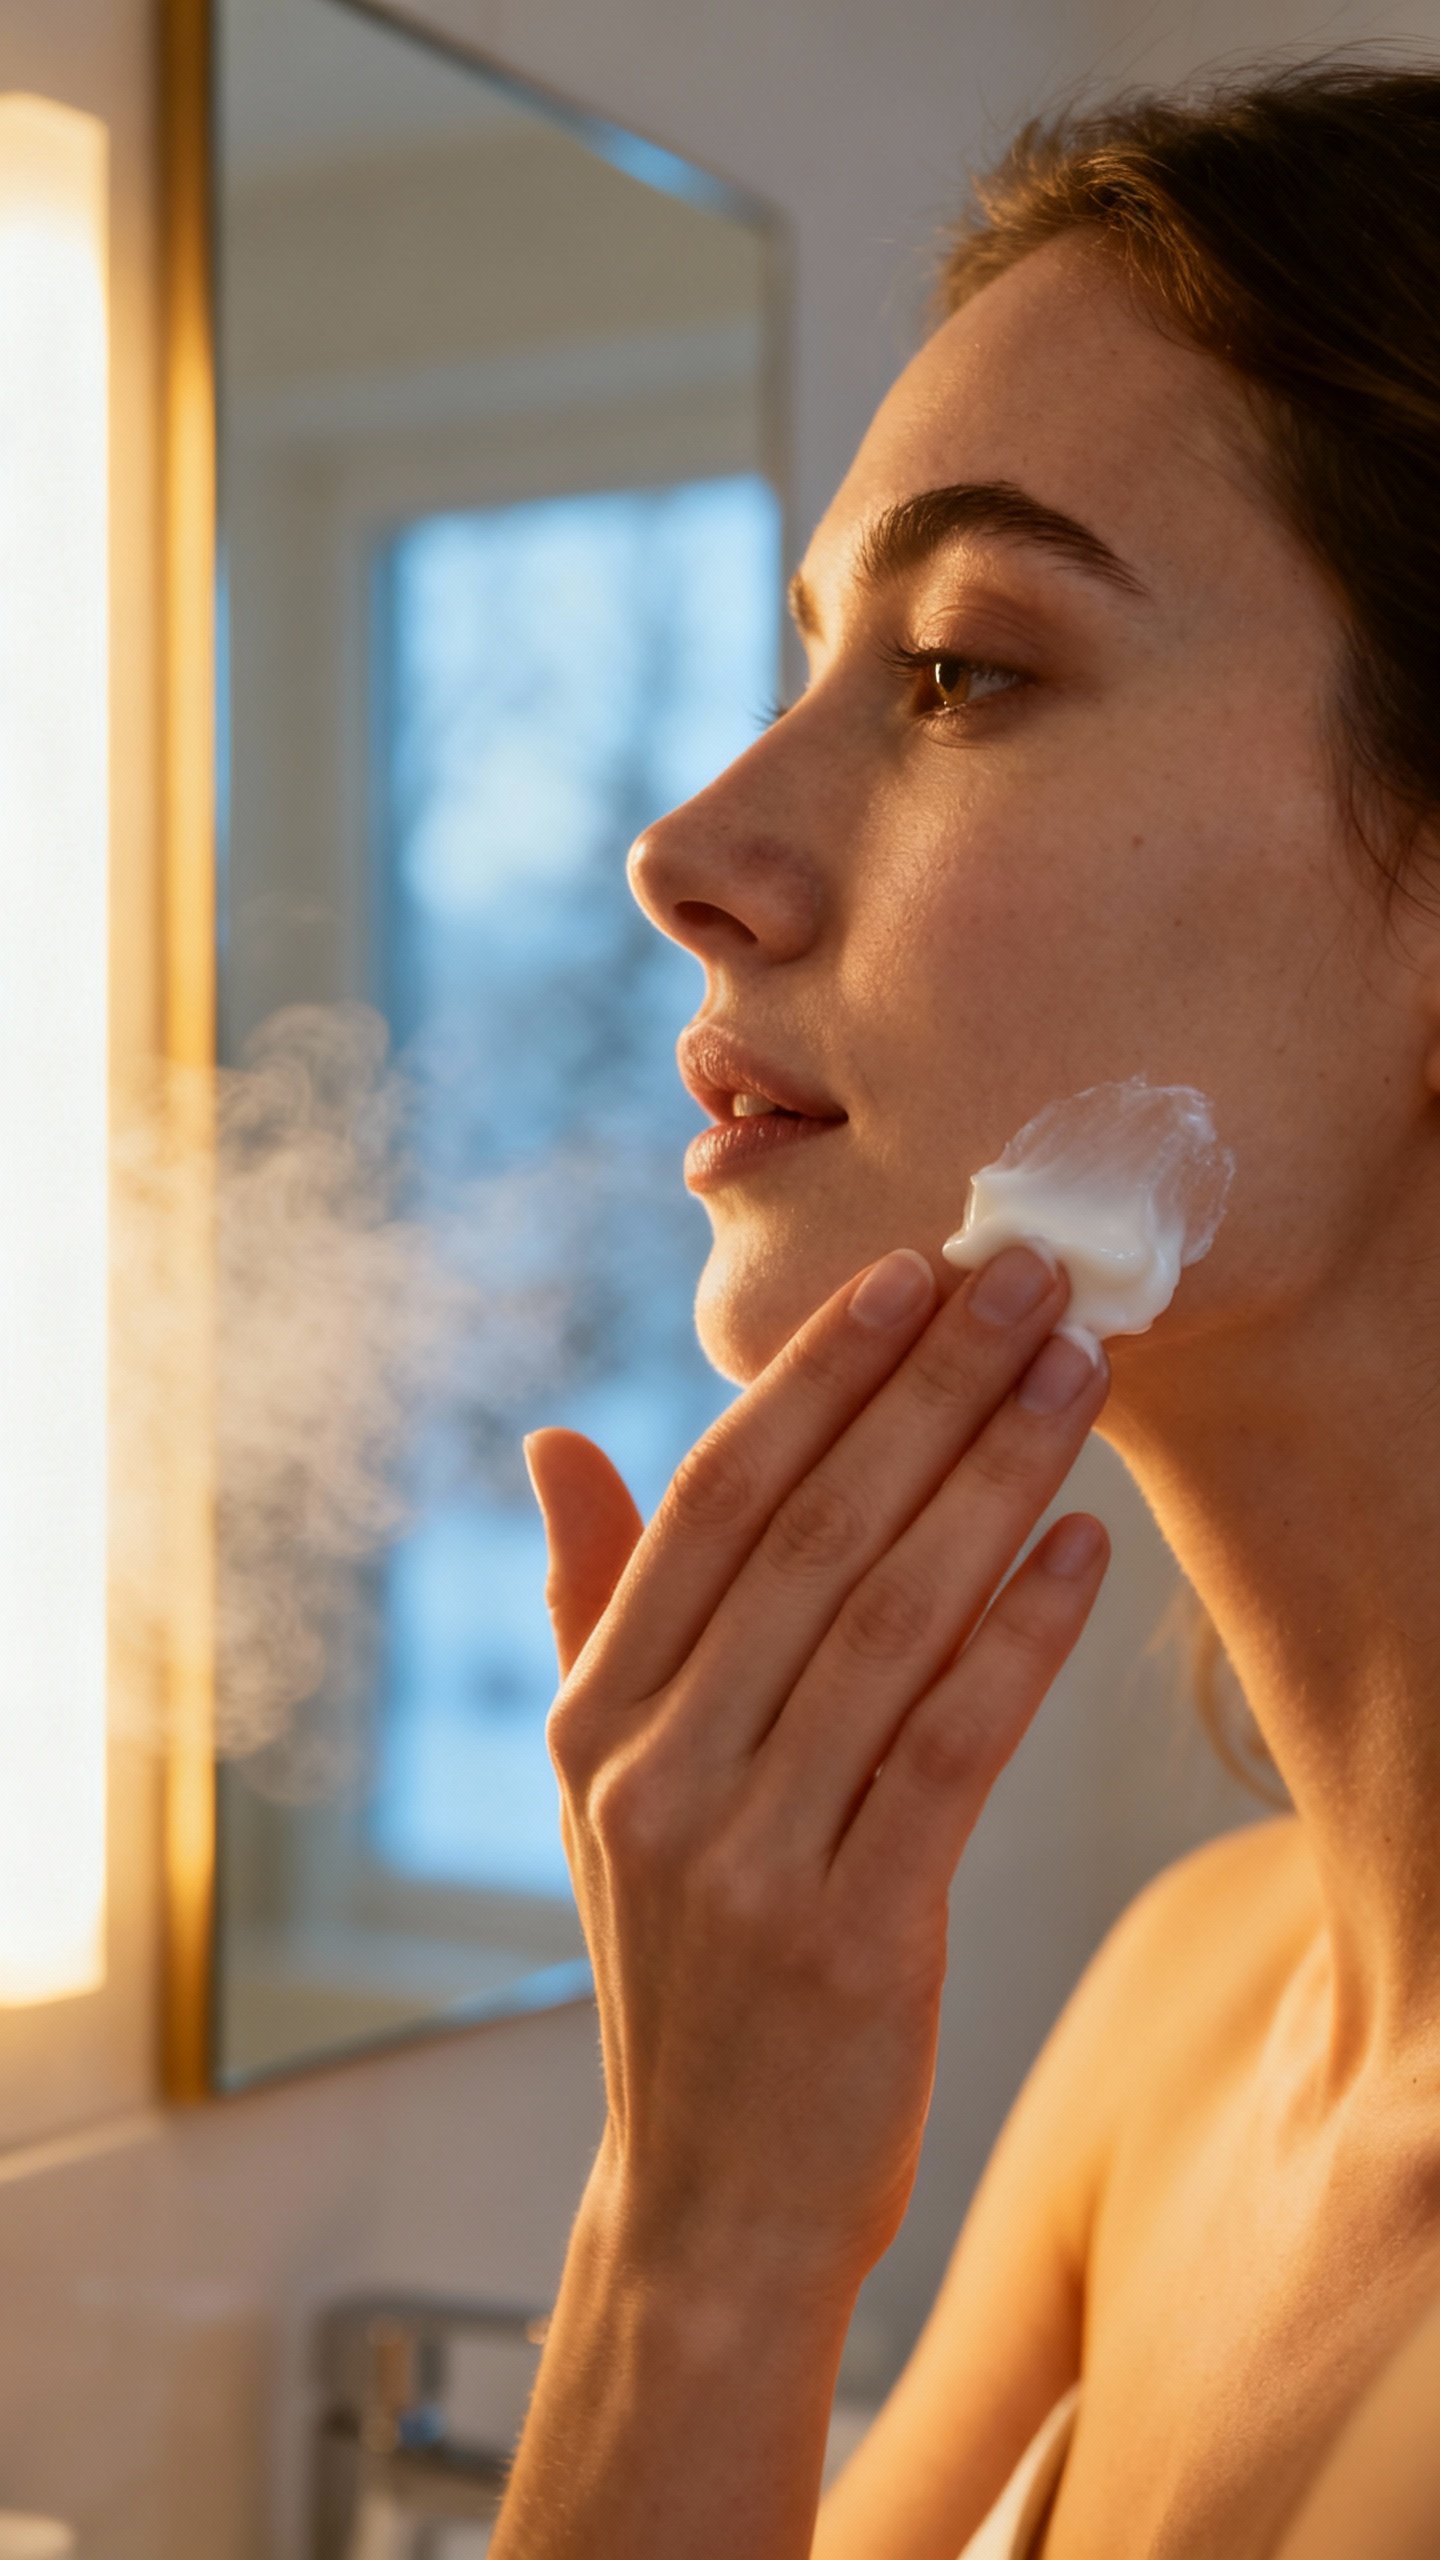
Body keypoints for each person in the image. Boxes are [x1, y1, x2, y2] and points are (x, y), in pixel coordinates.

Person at [496, 50, 1440, 2560]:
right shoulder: (1191, 2018)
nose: (691, 849)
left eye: (960, 672)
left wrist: (709, 2259)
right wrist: (697, 2216)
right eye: (823, 657)